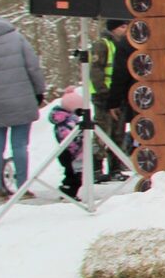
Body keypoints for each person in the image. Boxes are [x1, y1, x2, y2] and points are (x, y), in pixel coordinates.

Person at [0, 0, 46, 202]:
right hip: (21, 99)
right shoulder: (15, 37)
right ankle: (23, 188)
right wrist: (39, 92)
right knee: (20, 145)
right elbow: (33, 67)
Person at [88, 18, 131, 179]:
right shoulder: (103, 44)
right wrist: (104, 92)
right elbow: (96, 70)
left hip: (118, 96)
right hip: (104, 96)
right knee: (102, 131)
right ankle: (96, 168)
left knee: (118, 133)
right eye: (122, 27)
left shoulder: (122, 45)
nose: (125, 30)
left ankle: (115, 168)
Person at [48, 85, 86, 198]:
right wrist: (79, 143)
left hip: (70, 152)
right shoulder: (67, 122)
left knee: (73, 174)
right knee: (74, 175)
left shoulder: (66, 119)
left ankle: (68, 190)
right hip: (70, 152)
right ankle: (68, 192)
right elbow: (68, 137)